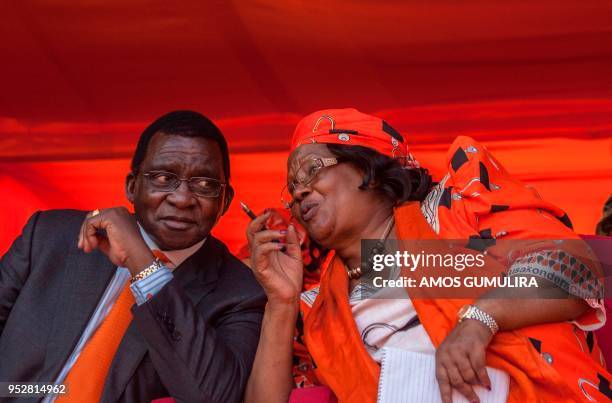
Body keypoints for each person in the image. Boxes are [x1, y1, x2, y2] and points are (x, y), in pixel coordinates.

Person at [245, 108, 610, 403]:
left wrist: (479, 322)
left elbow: (576, 268)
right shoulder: (317, 309)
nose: (299, 192)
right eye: (291, 188)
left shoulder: (455, 210)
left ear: (367, 168)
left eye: (312, 170)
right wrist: (282, 301)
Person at [0, 110, 266, 402]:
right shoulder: (50, 236)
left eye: (204, 185)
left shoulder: (241, 293)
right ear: (132, 186)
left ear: (225, 201)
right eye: (164, 177)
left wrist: (144, 265)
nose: (182, 198)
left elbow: (214, 397)